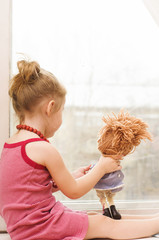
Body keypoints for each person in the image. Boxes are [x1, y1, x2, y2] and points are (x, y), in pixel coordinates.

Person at [0, 60, 159, 240]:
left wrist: (71, 176)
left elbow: (26, 191)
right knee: (104, 224)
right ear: (50, 107)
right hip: (40, 228)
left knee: (93, 218)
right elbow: (74, 192)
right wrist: (101, 168)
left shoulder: (11, 145)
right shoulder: (43, 148)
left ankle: (155, 219)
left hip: (25, 229)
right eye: (62, 110)